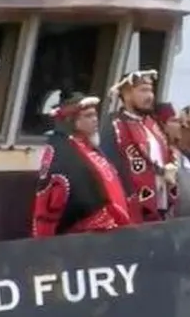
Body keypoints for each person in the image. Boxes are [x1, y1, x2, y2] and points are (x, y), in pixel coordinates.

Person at [31, 93, 133, 238]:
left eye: (95, 115)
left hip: (111, 232)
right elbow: (49, 204)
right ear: (71, 120)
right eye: (88, 116)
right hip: (84, 239)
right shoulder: (62, 152)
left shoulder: (89, 146)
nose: (95, 119)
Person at [99, 70, 178, 223]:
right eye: (143, 90)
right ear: (126, 94)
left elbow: (168, 154)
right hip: (131, 211)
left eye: (151, 91)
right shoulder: (114, 126)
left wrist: (170, 168)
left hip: (160, 207)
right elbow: (109, 170)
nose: (150, 96)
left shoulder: (153, 124)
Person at [153, 102, 190, 218]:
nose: (181, 125)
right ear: (161, 124)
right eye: (174, 121)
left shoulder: (181, 157)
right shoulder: (157, 155)